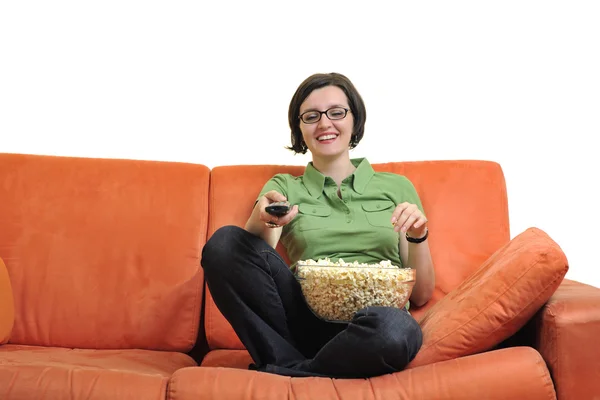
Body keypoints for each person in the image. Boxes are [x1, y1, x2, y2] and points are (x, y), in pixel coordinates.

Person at [201, 72, 435, 379]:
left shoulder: (396, 187)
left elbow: (420, 295)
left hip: (374, 323)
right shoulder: (285, 185)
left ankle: (294, 370)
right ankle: (311, 367)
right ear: (299, 128)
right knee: (224, 243)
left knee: (395, 331)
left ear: (355, 120)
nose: (325, 124)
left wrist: (417, 236)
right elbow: (252, 259)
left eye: (337, 113)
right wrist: (267, 216)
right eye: (311, 116)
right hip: (304, 320)